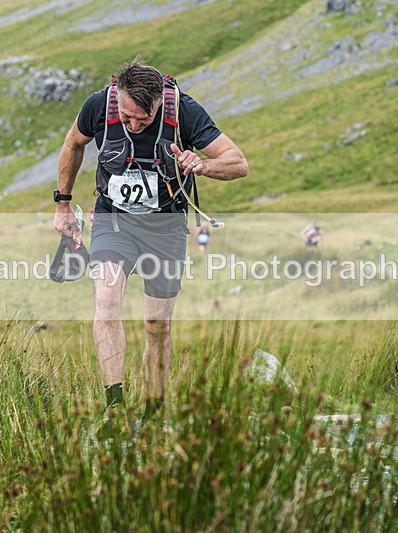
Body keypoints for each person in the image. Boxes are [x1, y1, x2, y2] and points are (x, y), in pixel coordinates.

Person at [53, 60, 248, 432]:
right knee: (106, 304)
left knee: (157, 324)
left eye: (143, 119)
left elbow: (238, 163)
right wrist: (63, 204)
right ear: (119, 99)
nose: (134, 125)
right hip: (114, 221)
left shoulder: (184, 111)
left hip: (166, 226)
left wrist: (204, 166)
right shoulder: (99, 105)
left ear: (160, 102)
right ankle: (114, 409)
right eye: (127, 117)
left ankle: (154, 415)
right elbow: (72, 145)